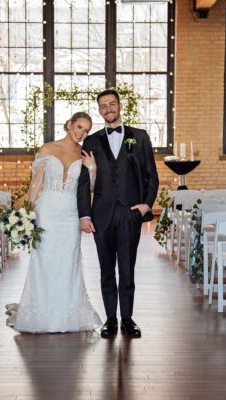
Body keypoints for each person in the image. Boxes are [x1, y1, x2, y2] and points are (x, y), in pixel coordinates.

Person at [6, 111, 102, 333]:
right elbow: (36, 183)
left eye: (86, 130)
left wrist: (93, 169)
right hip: (46, 211)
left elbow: (91, 189)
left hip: (70, 214)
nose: (82, 133)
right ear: (68, 125)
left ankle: (67, 314)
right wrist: (27, 212)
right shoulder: (48, 149)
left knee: (69, 261)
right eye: (79, 127)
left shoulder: (84, 155)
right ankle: (42, 313)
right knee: (44, 260)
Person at [77, 89, 159, 339]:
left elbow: (151, 175)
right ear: (99, 111)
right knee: (105, 271)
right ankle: (110, 319)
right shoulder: (91, 142)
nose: (108, 109)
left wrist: (146, 204)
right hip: (101, 215)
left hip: (129, 214)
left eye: (112, 104)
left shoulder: (140, 137)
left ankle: (128, 319)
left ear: (120, 106)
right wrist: (85, 215)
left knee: (127, 269)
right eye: (103, 106)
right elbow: (83, 181)